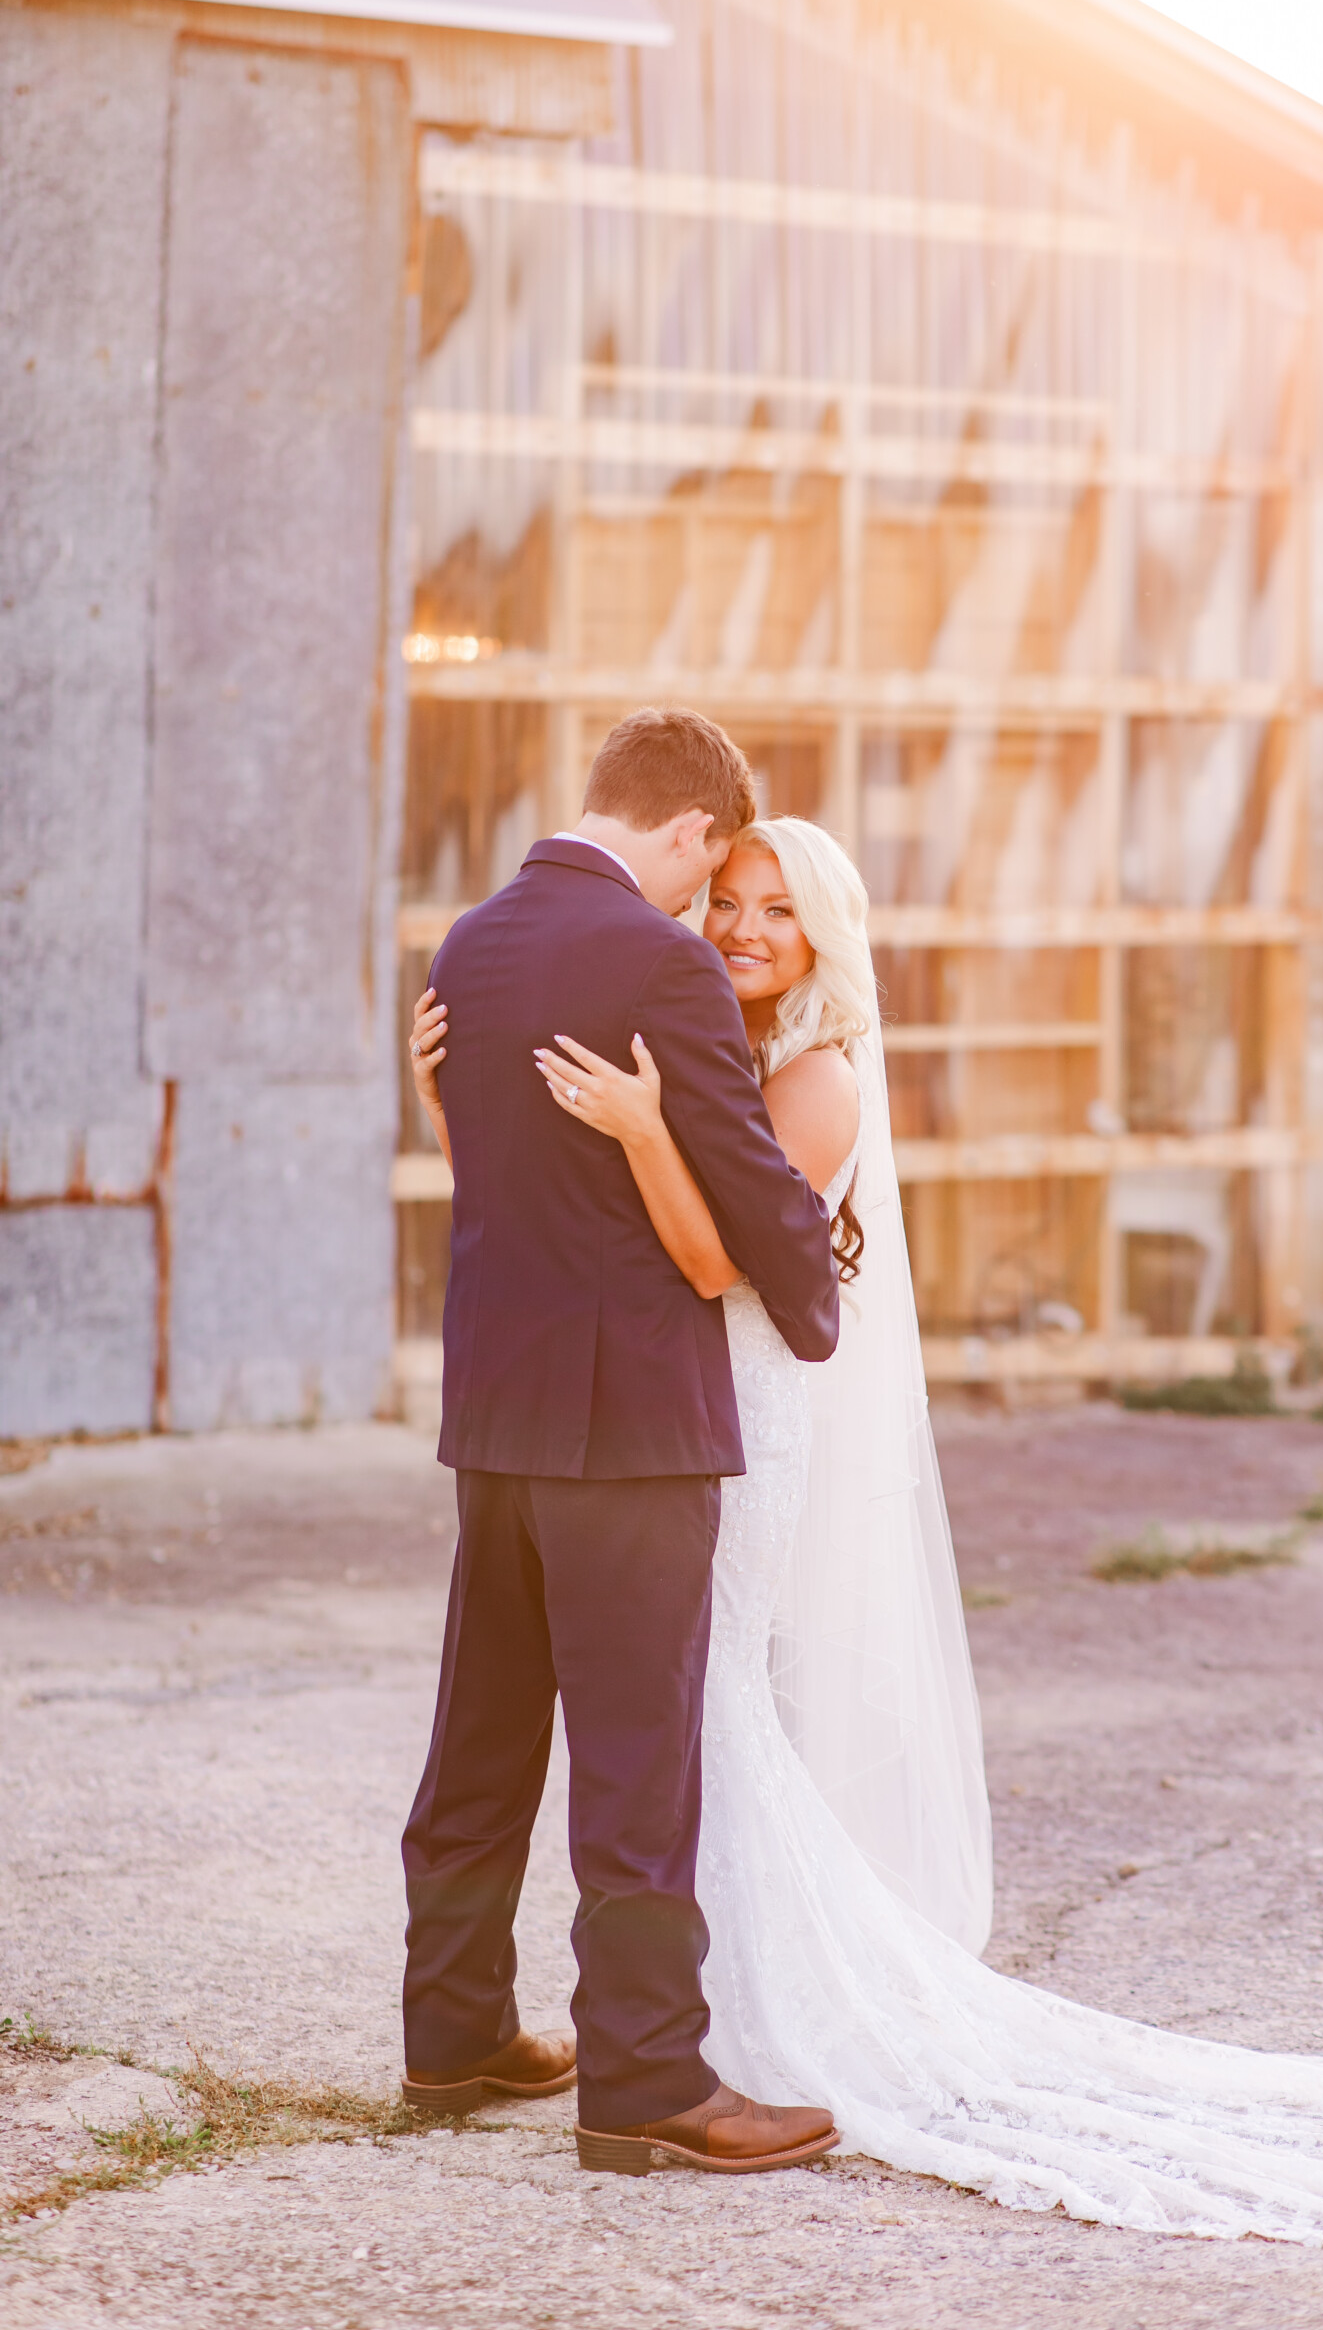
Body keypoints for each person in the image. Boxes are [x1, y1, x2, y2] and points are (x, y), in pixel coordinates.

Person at [411, 809, 1323, 2244]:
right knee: (681, 1728)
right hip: (656, 1416)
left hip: (716, 1416)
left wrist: (650, 1127)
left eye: (777, 909)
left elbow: (717, 1256)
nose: (741, 928)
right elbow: (574, 1207)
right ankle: (665, 2043)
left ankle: (689, 2045)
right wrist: (489, 1115)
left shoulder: (818, 1075)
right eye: (730, 899)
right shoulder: (721, 1040)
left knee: (684, 1726)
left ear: (827, 935)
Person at [398, 709, 843, 2179]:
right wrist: (814, 1298)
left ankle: (454, 2032)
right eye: (712, 876)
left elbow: (492, 1191)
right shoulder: (658, 963)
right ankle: (649, 2080)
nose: (708, 912)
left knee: (483, 1737)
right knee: (639, 1764)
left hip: (498, 1419)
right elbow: (747, 1184)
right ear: (694, 832)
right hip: (633, 1431)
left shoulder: (469, 944)